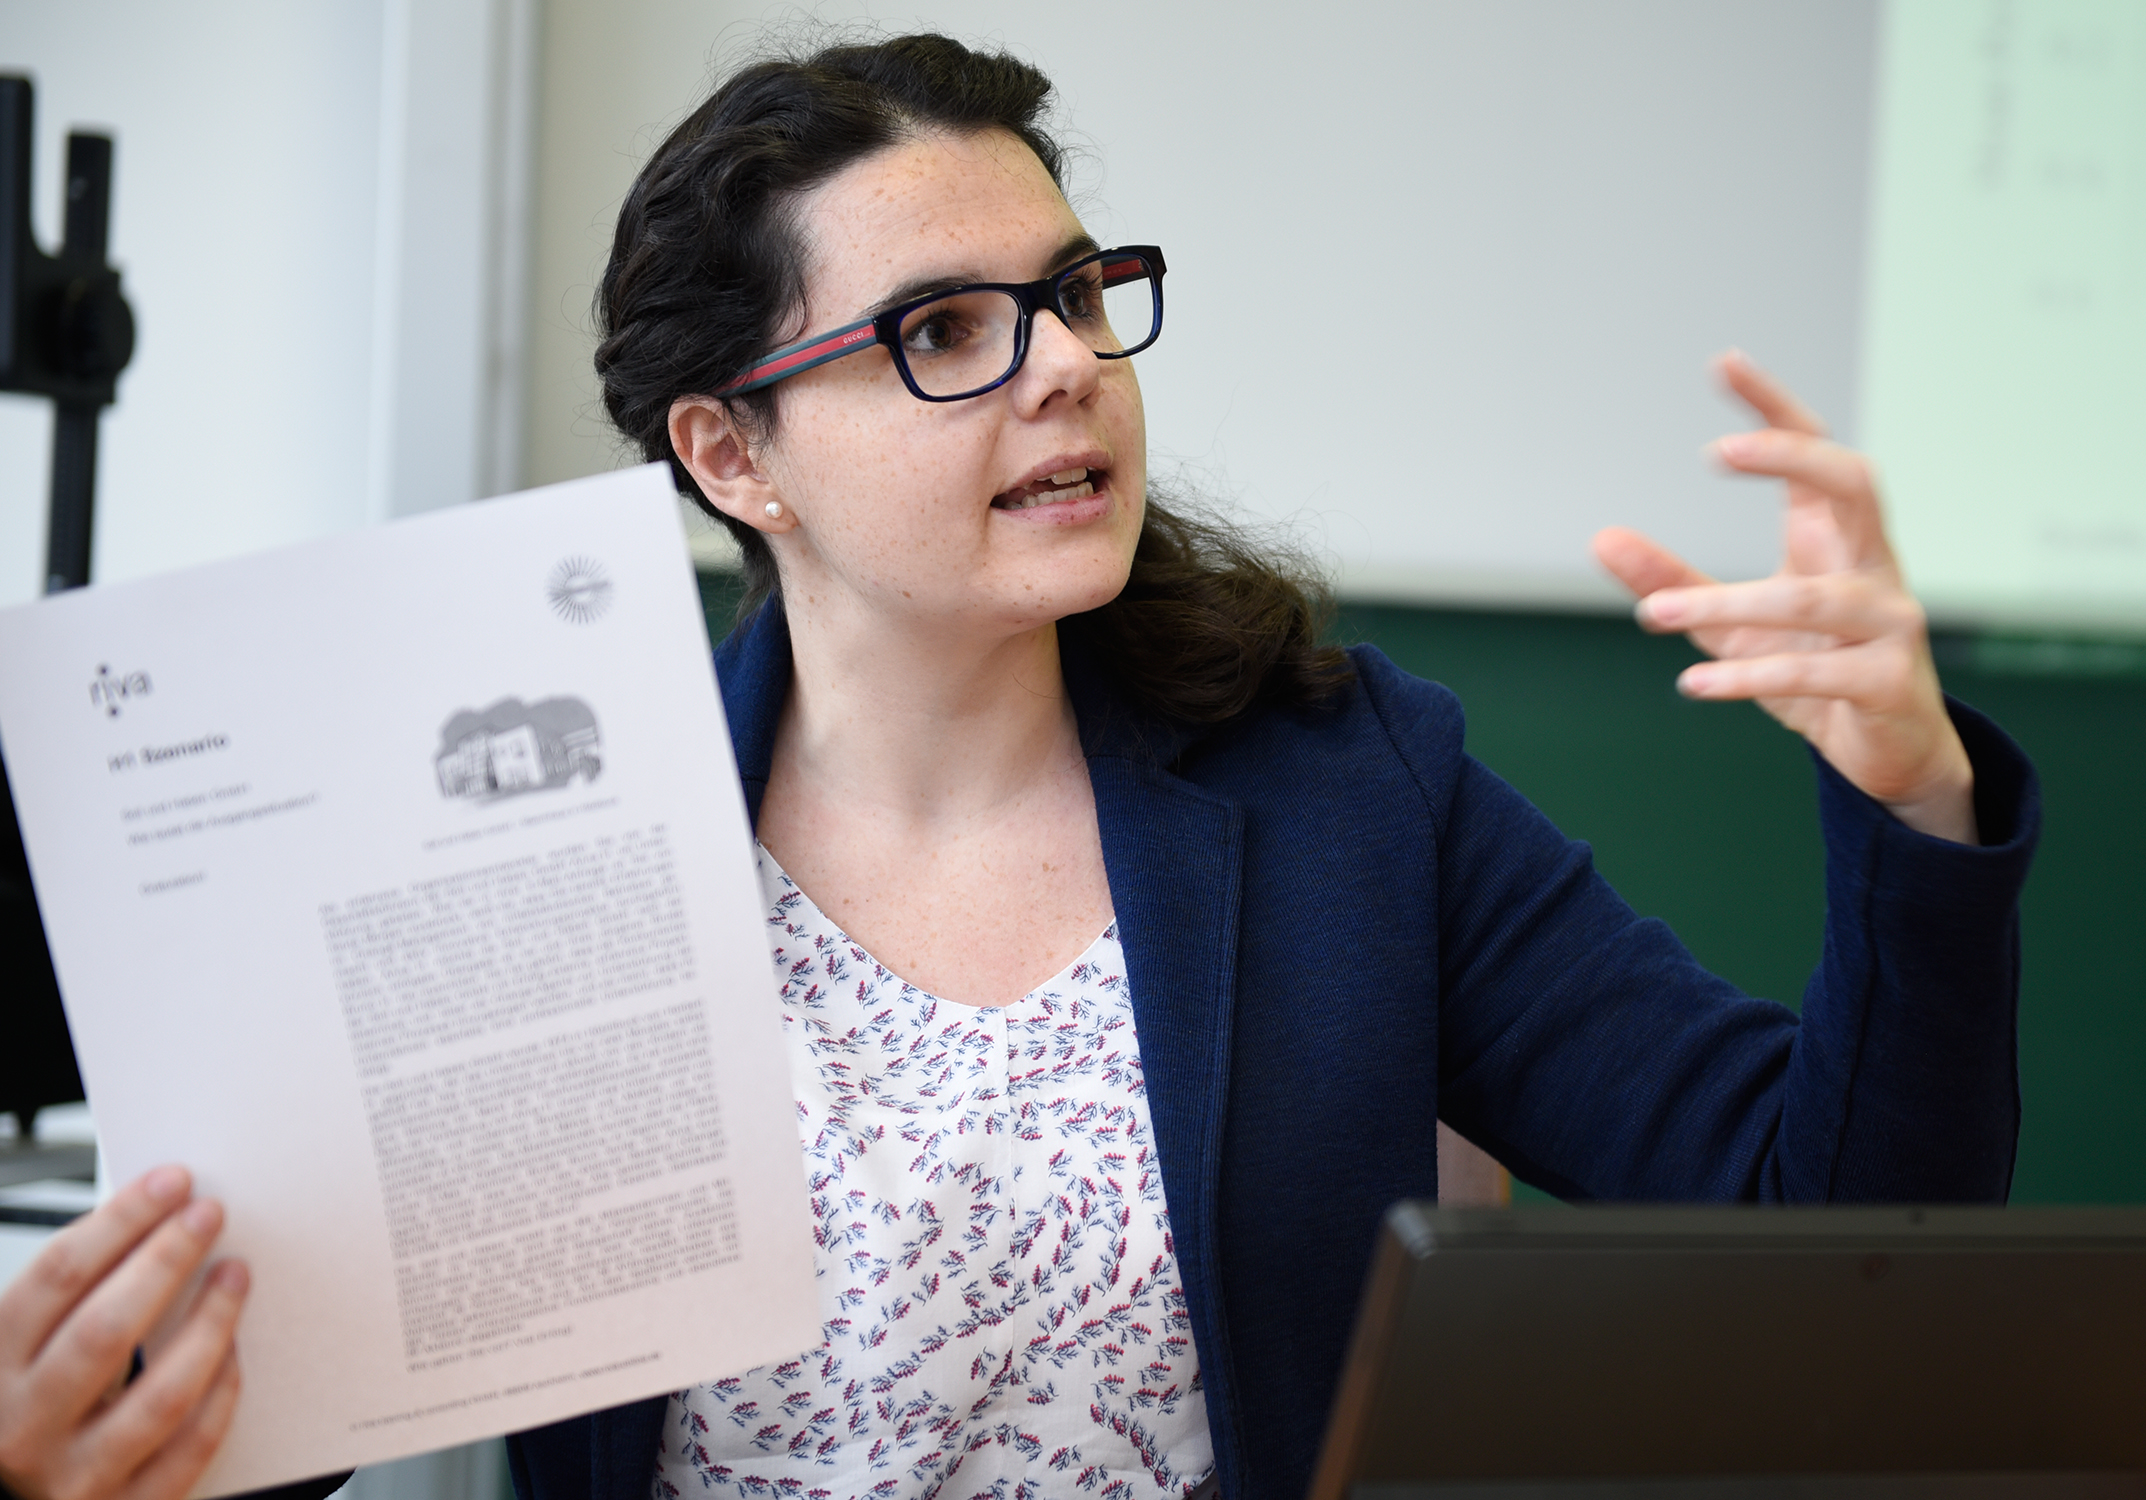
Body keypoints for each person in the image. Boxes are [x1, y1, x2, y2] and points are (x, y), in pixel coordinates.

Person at [0, 31, 2038, 1500]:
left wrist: (1911, 793)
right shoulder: (547, 847)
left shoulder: (1355, 787)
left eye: (1070, 296)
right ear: (730, 453)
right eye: (943, 331)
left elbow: (1839, 1233)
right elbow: (284, 1416)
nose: (1065, 363)